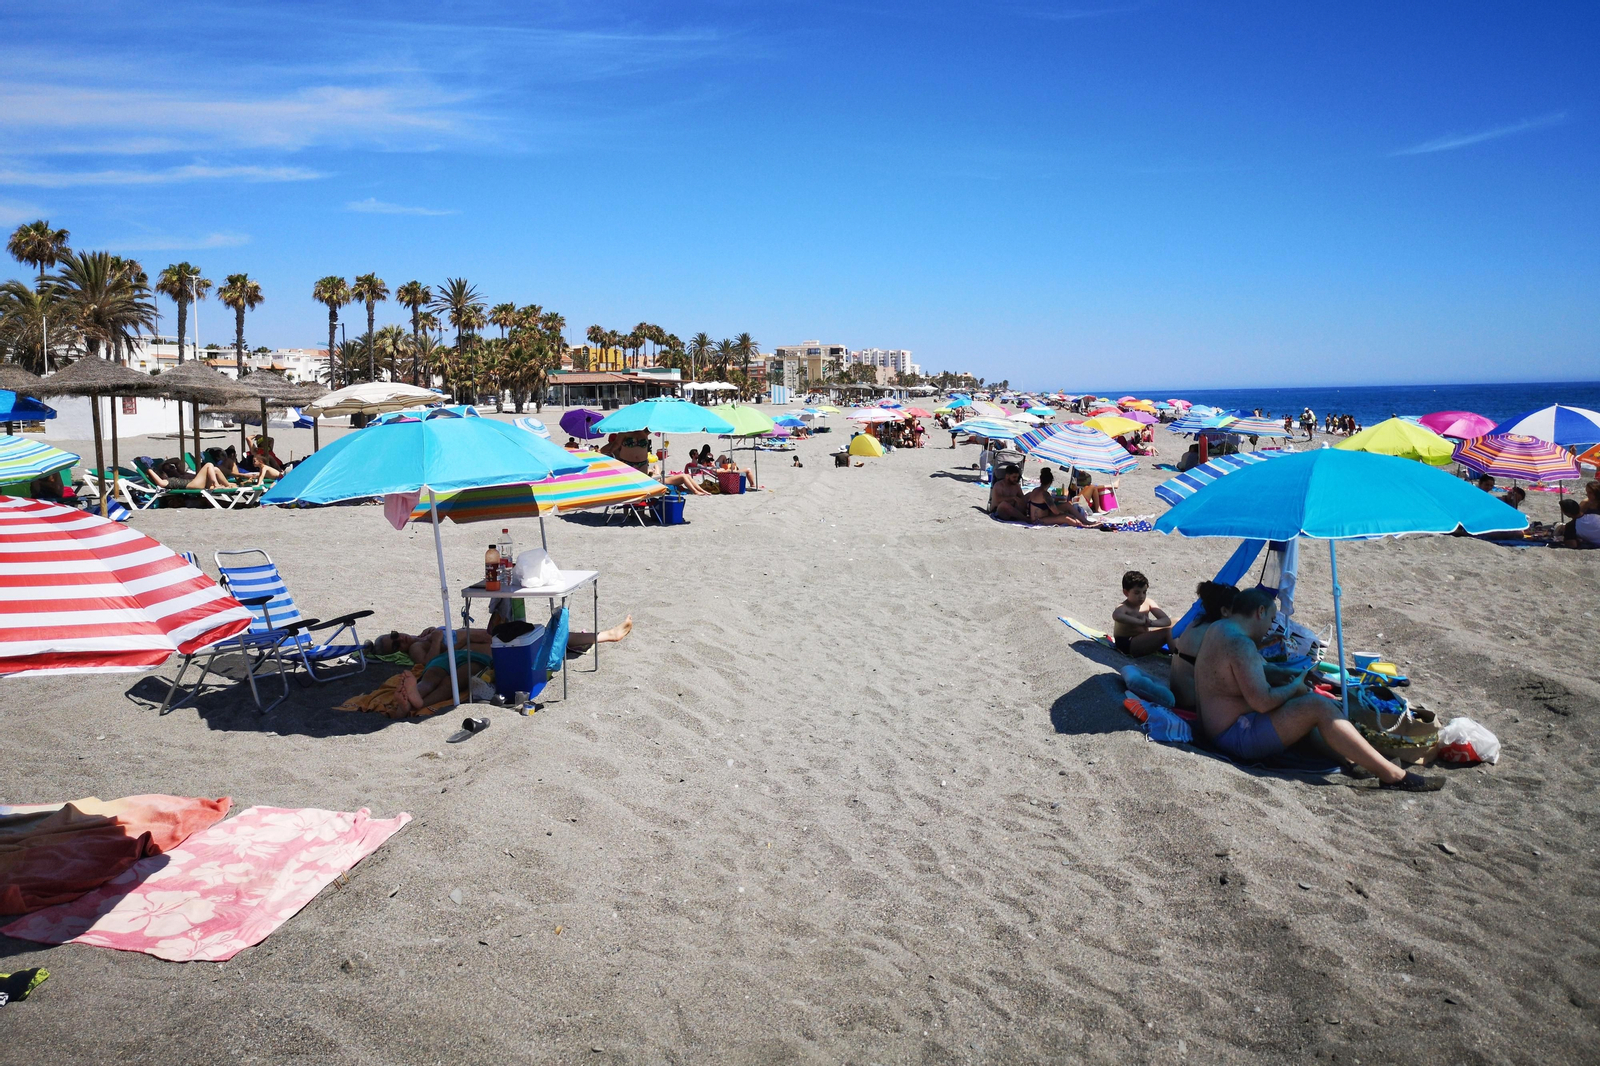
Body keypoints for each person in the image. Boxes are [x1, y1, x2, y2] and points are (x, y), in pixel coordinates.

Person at [1195, 588, 1444, 790]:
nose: (1271, 628)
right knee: (1315, 705)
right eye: (1271, 620)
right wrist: (1295, 686)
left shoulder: (1220, 628)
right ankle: (1392, 775)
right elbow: (1263, 702)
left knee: (1307, 702)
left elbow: (1238, 675)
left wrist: (1285, 674)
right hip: (1233, 737)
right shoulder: (1241, 644)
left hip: (1218, 727)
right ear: (1260, 612)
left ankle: (1353, 760)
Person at [371, 617, 635, 711]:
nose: (400, 640)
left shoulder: (423, 633)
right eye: (395, 645)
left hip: (476, 650)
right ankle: (419, 700)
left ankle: (415, 700)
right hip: (470, 655)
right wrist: (438, 637)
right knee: (441, 678)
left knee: (447, 680)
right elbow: (425, 662)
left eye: (395, 635)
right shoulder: (419, 644)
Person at [1169, 580, 1238, 709]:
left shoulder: (1196, 624)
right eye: (1239, 609)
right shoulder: (1217, 632)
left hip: (1180, 695)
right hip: (1192, 705)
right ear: (1225, 611)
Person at [1111, 570, 1171, 656]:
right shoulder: (1124, 607)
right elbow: (1116, 615)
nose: (1141, 596)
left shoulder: (1148, 602)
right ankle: (1180, 655)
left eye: (1144, 592)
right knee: (1167, 632)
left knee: (1177, 621)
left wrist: (1150, 623)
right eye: (1137, 593)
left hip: (1143, 637)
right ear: (1126, 592)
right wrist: (1140, 622)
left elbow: (1166, 621)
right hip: (1128, 643)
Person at [1022, 467, 1094, 526]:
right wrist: (1067, 514)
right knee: (1066, 518)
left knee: (1067, 505)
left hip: (1042, 515)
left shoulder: (1035, 490)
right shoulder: (1045, 494)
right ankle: (1085, 525)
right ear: (1050, 482)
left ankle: (1085, 521)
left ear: (1040, 480)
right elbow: (1056, 512)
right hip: (1038, 520)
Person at [145, 456, 231, 491]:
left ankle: (227, 485)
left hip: (195, 482)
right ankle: (216, 484)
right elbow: (160, 483)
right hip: (192, 484)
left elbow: (177, 460)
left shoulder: (177, 473)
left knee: (215, 469)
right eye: (170, 467)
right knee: (209, 465)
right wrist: (150, 470)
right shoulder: (168, 480)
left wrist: (166, 461)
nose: (173, 468)